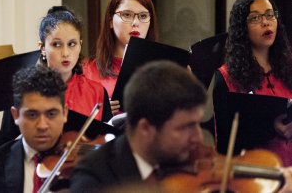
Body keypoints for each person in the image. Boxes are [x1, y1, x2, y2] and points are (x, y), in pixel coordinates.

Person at [70, 60, 292, 193]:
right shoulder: (94, 180)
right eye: (185, 127)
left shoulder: (193, 165)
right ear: (146, 128)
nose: (197, 138)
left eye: (196, 123)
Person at [213, 0, 292, 166]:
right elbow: (225, 145)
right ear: (242, 28)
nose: (266, 22)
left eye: (270, 15)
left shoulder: (288, 67)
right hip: (254, 177)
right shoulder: (227, 77)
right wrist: (271, 129)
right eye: (255, 18)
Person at [0, 65, 68, 193]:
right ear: (15, 115)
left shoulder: (85, 165)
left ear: (65, 113)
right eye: (32, 115)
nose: (42, 126)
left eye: (51, 114)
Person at [82, 0, 158, 114]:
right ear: (111, 20)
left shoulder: (161, 70)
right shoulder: (86, 71)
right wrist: (101, 113)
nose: (135, 22)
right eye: (127, 15)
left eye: (143, 16)